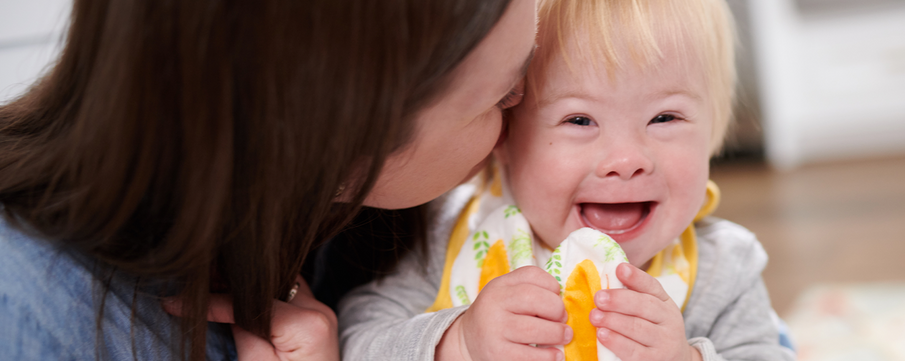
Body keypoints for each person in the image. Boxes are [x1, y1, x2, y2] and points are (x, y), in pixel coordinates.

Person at [0, 0, 536, 360]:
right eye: (505, 96)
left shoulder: (343, 226)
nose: (524, 118)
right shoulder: (29, 321)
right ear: (343, 140)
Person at [338, 0, 795, 360]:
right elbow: (354, 341)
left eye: (665, 117)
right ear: (504, 138)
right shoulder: (449, 237)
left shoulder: (724, 269)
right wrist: (457, 344)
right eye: (579, 120)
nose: (626, 160)